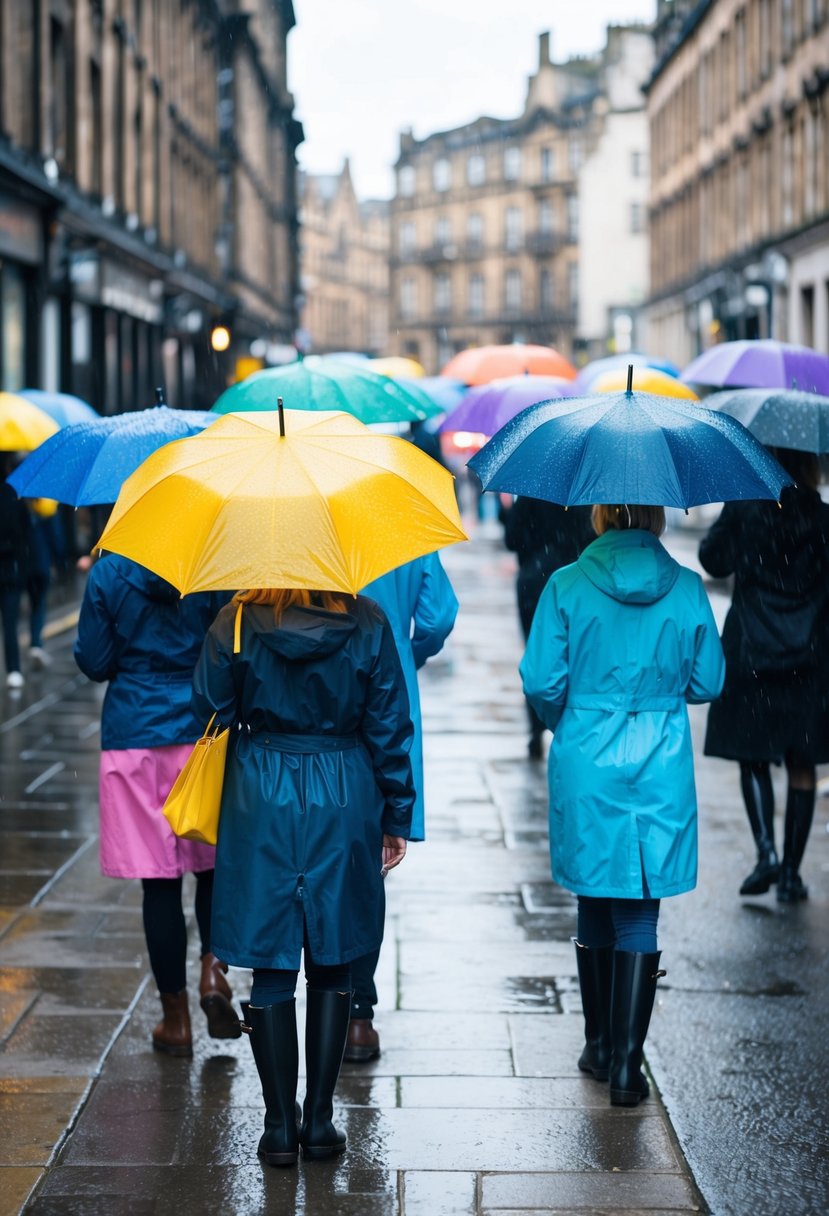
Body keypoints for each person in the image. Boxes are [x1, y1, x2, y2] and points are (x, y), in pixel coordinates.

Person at [191, 587, 415, 1167]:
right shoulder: (366, 620)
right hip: (343, 788)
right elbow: (390, 724)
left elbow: (209, 708)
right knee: (333, 956)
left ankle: (278, 1125)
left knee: (271, 959)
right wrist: (396, 812)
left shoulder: (236, 620)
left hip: (259, 793)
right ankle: (318, 1119)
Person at [520, 504, 724, 1107]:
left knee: (594, 891)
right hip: (659, 757)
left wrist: (575, 722)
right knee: (640, 906)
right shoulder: (685, 586)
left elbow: (540, 682)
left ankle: (599, 1042)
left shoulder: (564, 585)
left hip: (587, 753)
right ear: (659, 515)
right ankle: (629, 1067)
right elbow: (709, 681)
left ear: (600, 514)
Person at [74, 554, 236, 1057]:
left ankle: (176, 1021)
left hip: (134, 734)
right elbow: (230, 648)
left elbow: (95, 662)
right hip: (200, 731)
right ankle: (213, 970)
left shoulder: (108, 572)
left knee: (159, 883)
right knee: (210, 869)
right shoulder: (212, 563)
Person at [698, 448, 829, 903]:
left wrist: (741, 520)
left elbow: (712, 560)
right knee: (801, 764)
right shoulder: (821, 517)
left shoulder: (745, 506)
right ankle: (792, 875)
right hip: (808, 656)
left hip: (753, 649)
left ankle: (767, 853)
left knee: (753, 756)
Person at [345, 552, 458, 1062]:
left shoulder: (298, 506)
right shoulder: (398, 524)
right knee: (369, 868)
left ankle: (317, 998)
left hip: (315, 699)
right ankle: (358, 1018)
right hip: (389, 697)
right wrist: (408, 654)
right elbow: (437, 616)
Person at [502, 495, 594, 758]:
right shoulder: (584, 497)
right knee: (575, 654)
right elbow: (590, 537)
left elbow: (511, 539)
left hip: (534, 582)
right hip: (576, 582)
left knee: (538, 652)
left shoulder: (531, 491)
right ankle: (568, 720)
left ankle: (536, 726)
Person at [0, 454, 32, 690]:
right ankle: (13, 670)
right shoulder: (13, 496)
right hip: (10, 570)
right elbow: (24, 537)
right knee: (10, 624)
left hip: (10, 569)